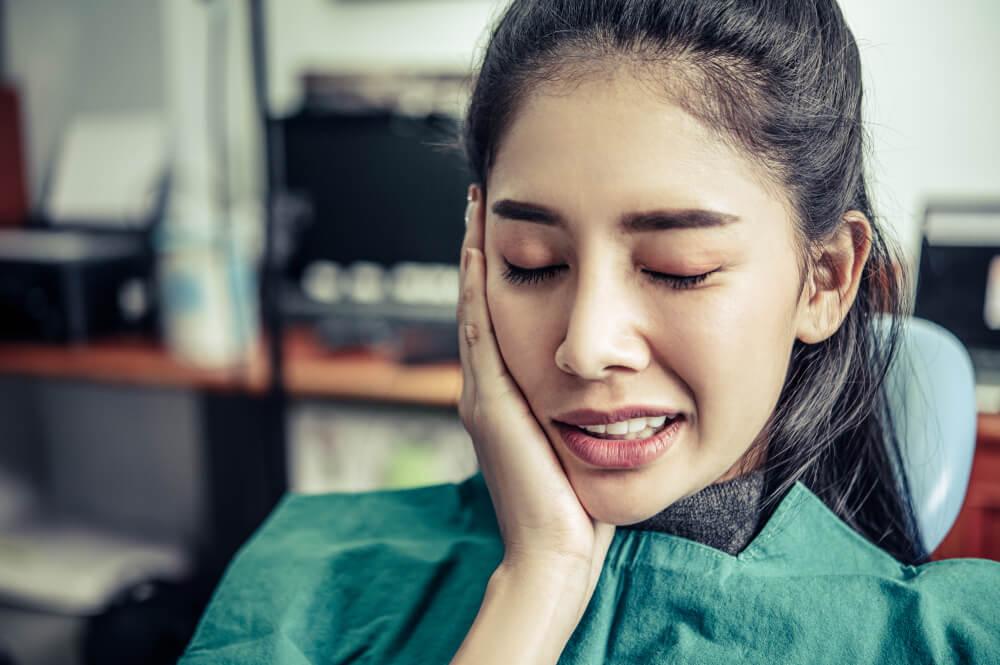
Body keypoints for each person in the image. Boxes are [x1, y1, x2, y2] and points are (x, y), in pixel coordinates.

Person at [180, 1, 1000, 663]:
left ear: (823, 278)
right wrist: (537, 583)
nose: (585, 344)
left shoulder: (955, 638)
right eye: (531, 261)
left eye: (678, 266)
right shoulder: (307, 577)